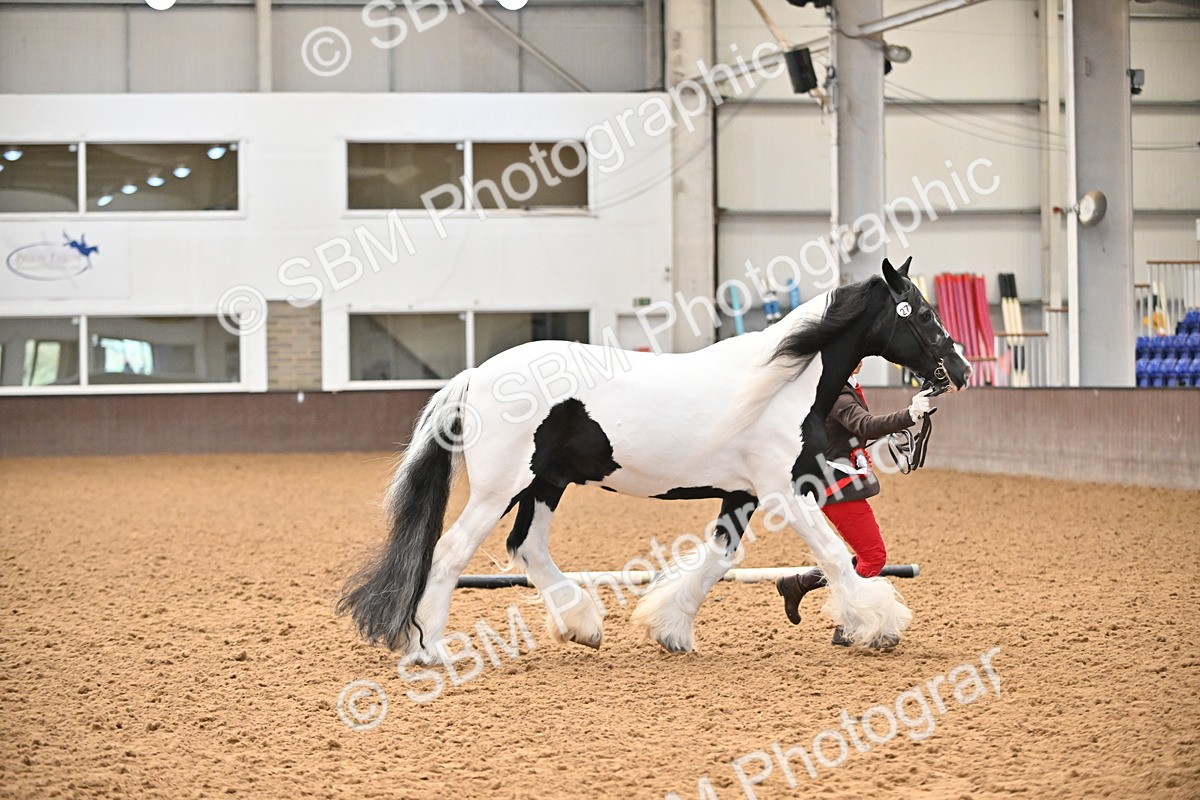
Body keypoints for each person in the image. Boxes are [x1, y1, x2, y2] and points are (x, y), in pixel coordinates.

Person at [775, 362, 932, 647]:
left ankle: (799, 584)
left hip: (840, 482)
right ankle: (847, 624)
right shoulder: (837, 391)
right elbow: (864, 425)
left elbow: (855, 431)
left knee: (862, 555)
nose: (861, 360)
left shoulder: (839, 384)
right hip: (838, 485)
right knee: (873, 557)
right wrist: (908, 415)